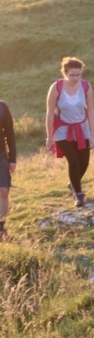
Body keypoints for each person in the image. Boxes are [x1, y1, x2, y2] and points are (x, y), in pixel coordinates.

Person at [46, 57, 94, 207]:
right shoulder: (56, 87)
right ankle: (78, 195)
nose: (75, 78)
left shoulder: (86, 87)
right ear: (65, 73)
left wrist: (92, 134)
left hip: (82, 129)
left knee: (84, 162)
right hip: (62, 130)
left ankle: (73, 183)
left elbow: (91, 111)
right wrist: (49, 137)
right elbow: (49, 113)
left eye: (78, 74)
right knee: (73, 161)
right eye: (72, 75)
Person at [0, 99, 17, 240]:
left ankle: (0, 227)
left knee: (4, 191)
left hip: (1, 155)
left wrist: (12, 159)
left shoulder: (2, 107)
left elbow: (10, 133)